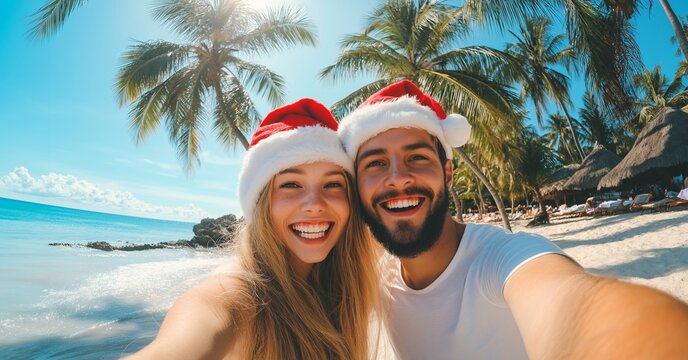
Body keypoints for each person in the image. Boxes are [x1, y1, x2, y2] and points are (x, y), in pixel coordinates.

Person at [338, 80, 688, 359]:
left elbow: (572, 307)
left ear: (447, 173)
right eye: (375, 163)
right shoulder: (376, 278)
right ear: (356, 186)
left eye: (416, 158)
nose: (398, 178)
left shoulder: (504, 258)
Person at [127, 99, 380, 359]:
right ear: (261, 204)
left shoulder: (350, 287)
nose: (315, 205)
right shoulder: (237, 296)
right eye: (291, 185)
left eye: (333, 185)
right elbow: (192, 335)